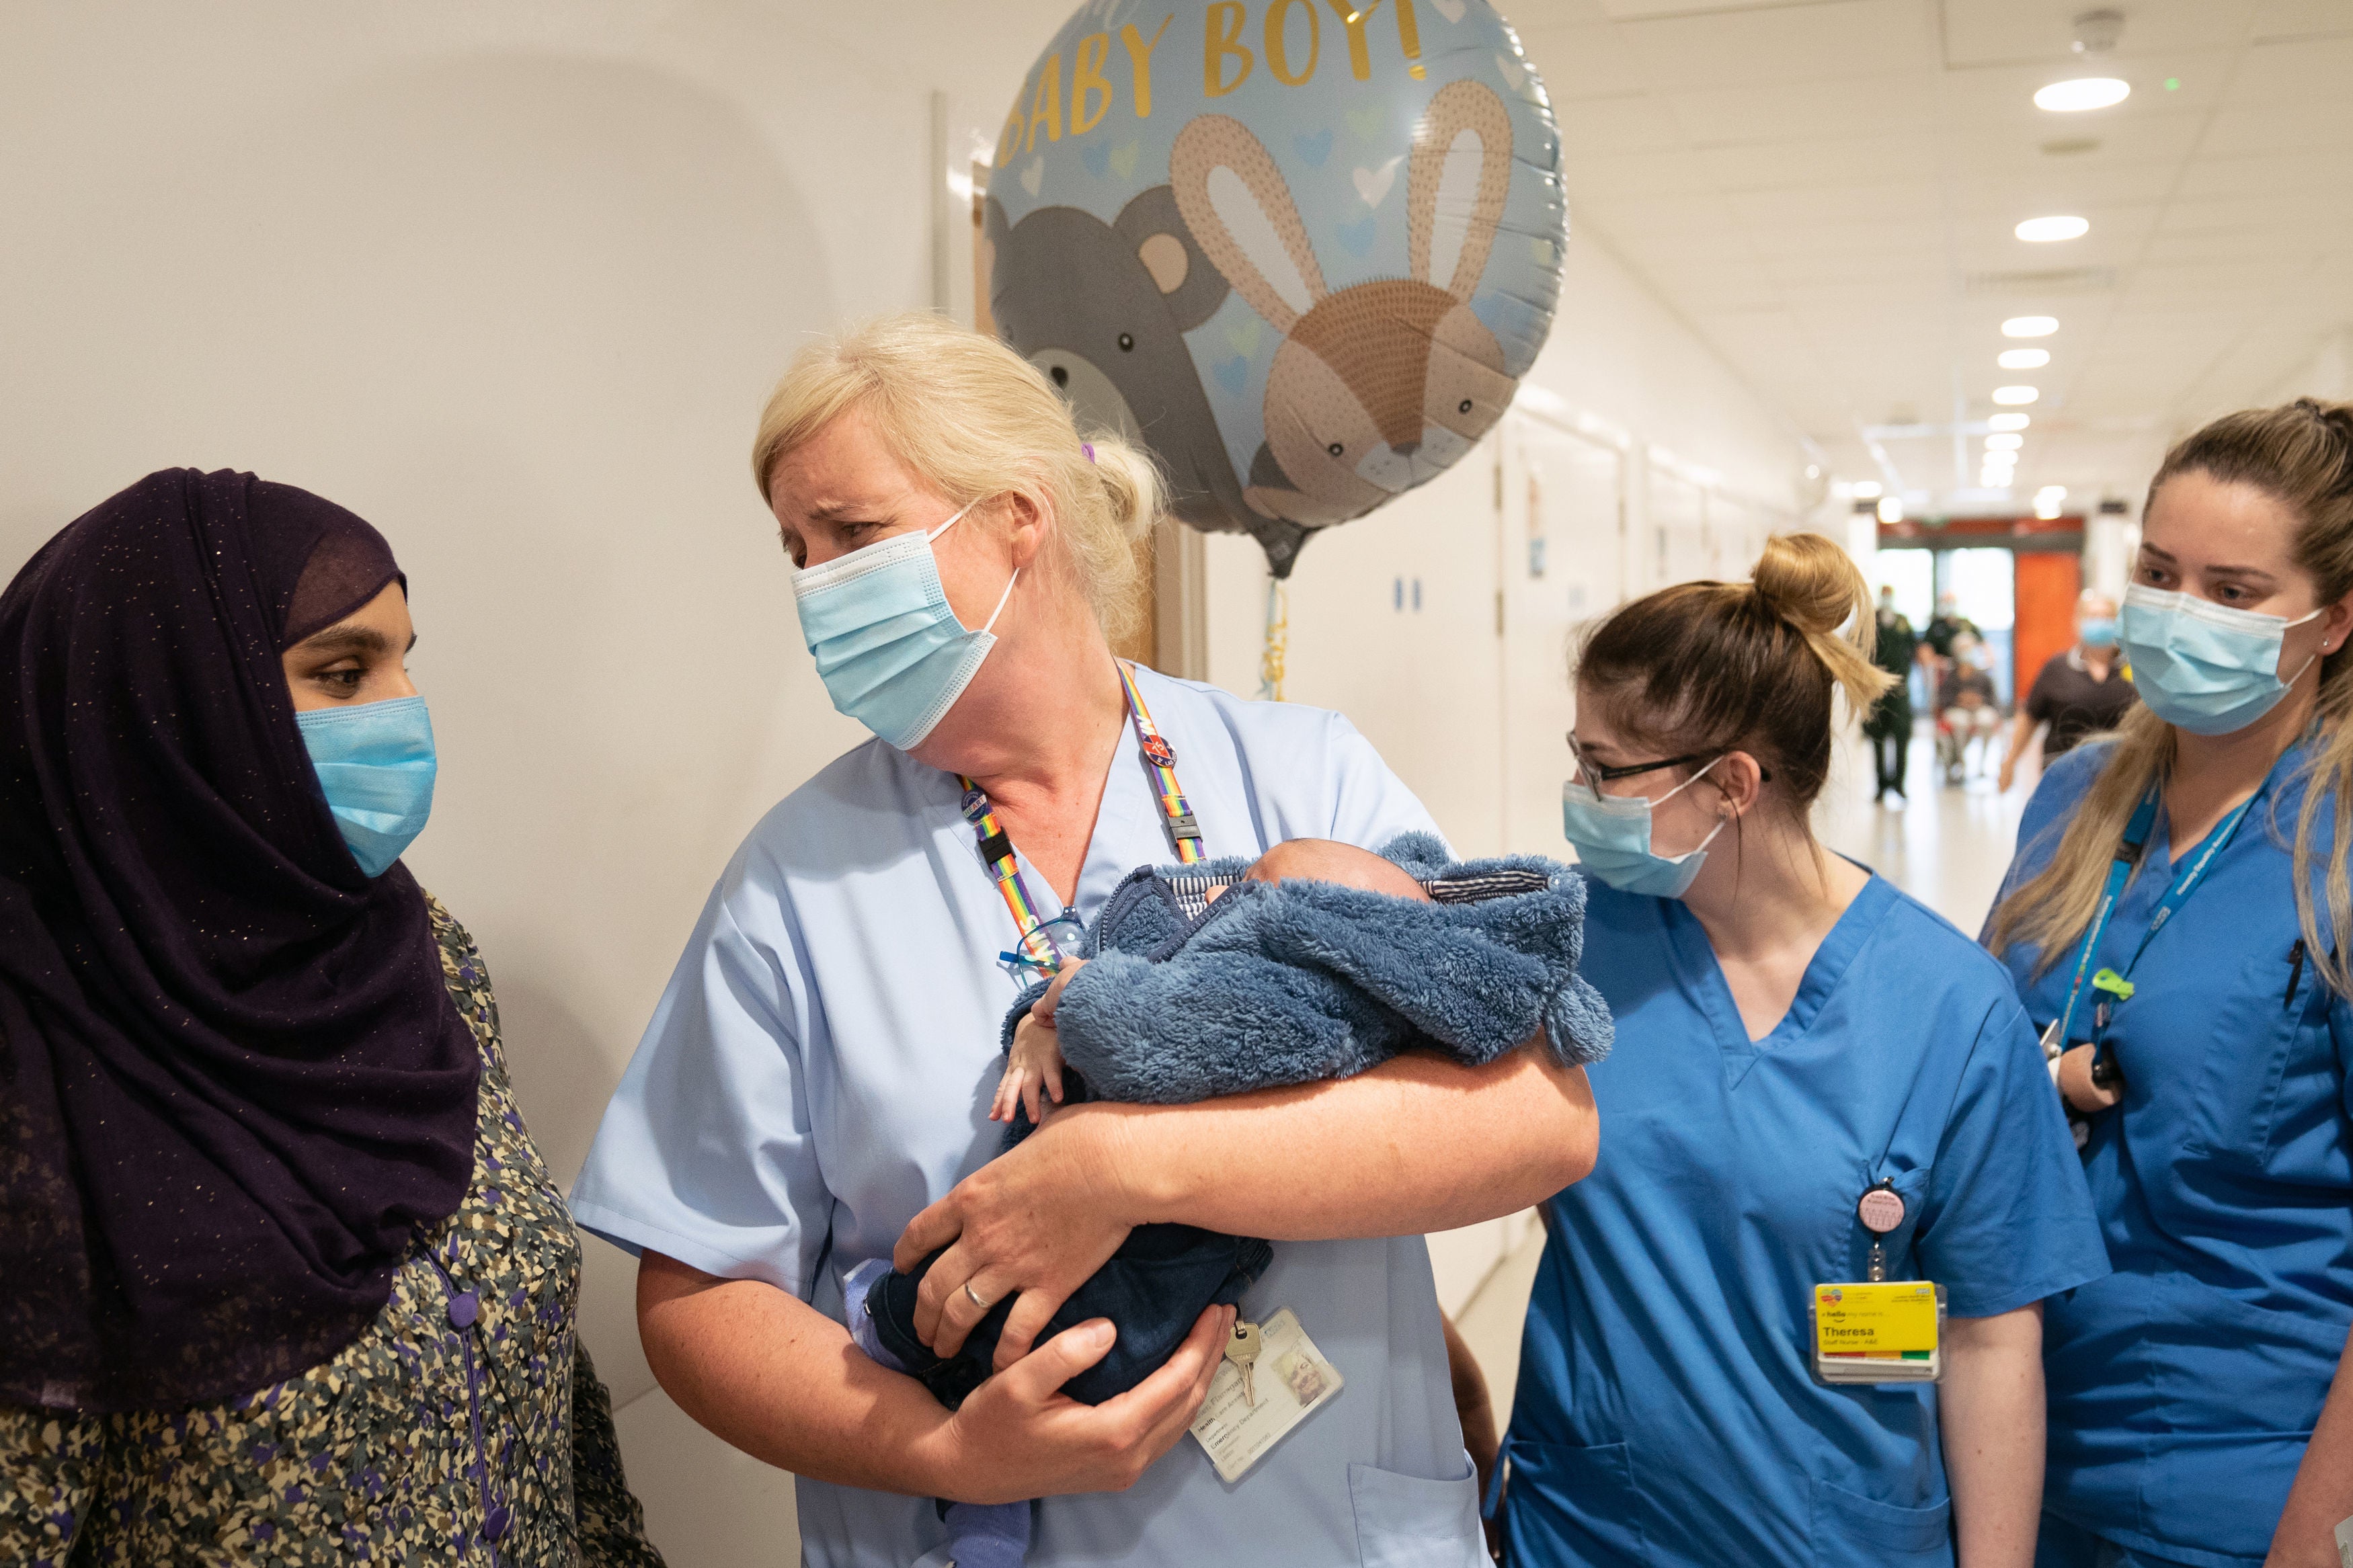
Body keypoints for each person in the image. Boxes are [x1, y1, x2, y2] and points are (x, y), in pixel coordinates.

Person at [567, 313, 1598, 1568]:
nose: (816, 588)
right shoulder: (796, 883)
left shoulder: (1303, 779)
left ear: (1020, 516)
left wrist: (1126, 1166)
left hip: (1331, 1524)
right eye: (793, 550)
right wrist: (942, 1452)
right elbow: (694, 1299)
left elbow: (1538, 1118)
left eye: (852, 534)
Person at [0, 470, 661, 1565]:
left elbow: (536, 1381)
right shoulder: (37, 1062)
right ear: (174, 706)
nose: (404, 711)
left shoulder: (418, 953)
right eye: (344, 672)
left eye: (405, 661)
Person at [1502, 533, 2108, 1566]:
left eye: (1602, 769)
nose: (1576, 792)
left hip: (1832, 1536)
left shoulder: (1949, 1008)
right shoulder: (1564, 946)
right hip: (1594, 1526)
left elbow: (1992, 1338)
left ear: (1732, 783)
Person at [863, 832, 1607, 1568]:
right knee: (1008, 1369)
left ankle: (899, 1340)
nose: (1227, 893)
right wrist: (1038, 1022)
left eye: (1255, 888)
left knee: (1042, 1350)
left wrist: (1107, 1156)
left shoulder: (1302, 999)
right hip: (1108, 1322)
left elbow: (1550, 1127)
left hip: (1188, 1329)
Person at [1983, 399, 2353, 1568]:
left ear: (2334, 619)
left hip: (2238, 1478)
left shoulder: (2333, 853)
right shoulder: (2079, 795)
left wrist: (2317, 1538)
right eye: (2158, 571)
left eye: (2234, 592)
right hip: (2016, 1435)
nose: (2179, 612)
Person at [1999, 592, 2136, 793]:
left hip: (2123, 778)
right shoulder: (2057, 668)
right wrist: (2010, 762)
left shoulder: (2134, 669)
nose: (2100, 622)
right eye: (2093, 617)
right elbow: (2030, 717)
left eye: (2107, 617)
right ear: (2078, 622)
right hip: (2063, 777)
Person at [1866, 588, 1919, 801]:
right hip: (1877, 691)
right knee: (1877, 738)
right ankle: (1881, 785)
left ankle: (1899, 784)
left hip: (1899, 689)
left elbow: (1913, 650)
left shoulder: (1902, 622)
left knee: (1901, 737)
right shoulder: (1871, 621)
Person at [1940, 632, 2003, 782]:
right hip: (1958, 712)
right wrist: (1960, 701)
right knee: (1960, 723)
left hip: (1980, 710)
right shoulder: (1951, 677)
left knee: (1986, 720)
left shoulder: (1983, 676)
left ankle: (1982, 764)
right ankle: (1961, 763)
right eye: (1963, 649)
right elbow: (1944, 700)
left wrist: (1979, 700)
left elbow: (1993, 699)